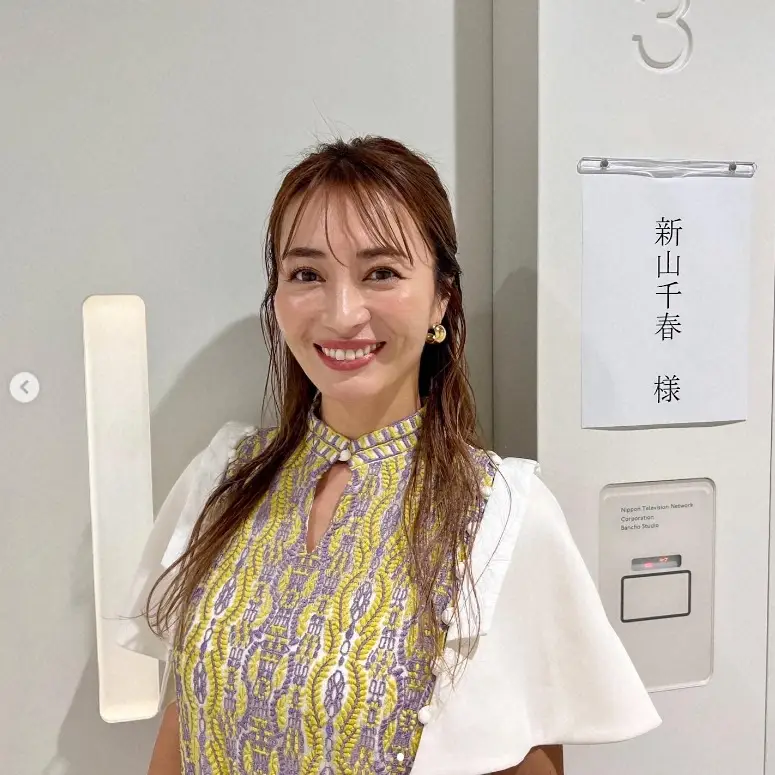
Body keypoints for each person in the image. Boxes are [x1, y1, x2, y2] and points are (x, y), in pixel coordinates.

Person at [118, 136, 660, 775]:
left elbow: (529, 755)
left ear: (441, 298)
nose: (342, 313)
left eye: (381, 273)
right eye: (307, 274)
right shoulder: (224, 479)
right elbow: (185, 719)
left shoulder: (502, 516)